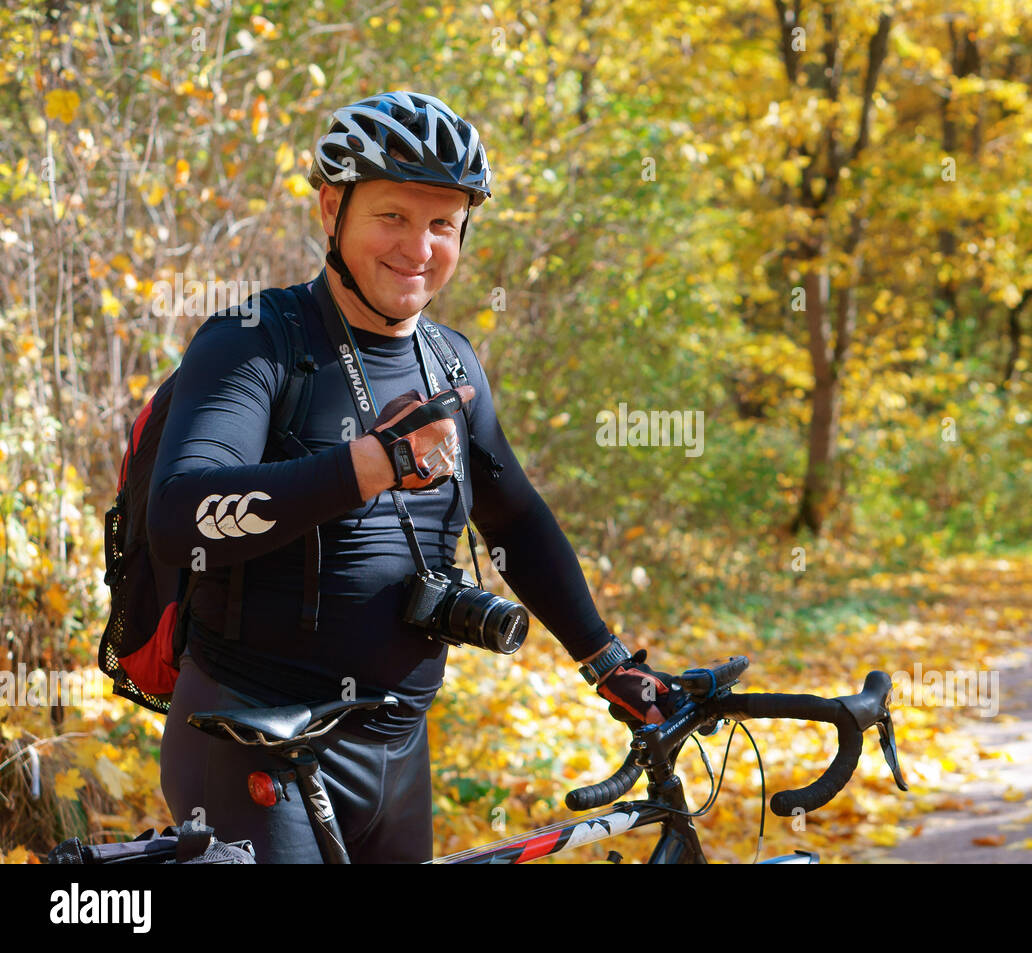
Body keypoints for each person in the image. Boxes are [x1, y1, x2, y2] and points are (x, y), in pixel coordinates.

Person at [151, 91, 680, 863]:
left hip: (398, 747)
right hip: (253, 738)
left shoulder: (452, 360)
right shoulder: (256, 341)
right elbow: (178, 515)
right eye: (392, 216)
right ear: (331, 210)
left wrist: (607, 660)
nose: (420, 247)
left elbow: (516, 522)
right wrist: (365, 466)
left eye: (443, 225)